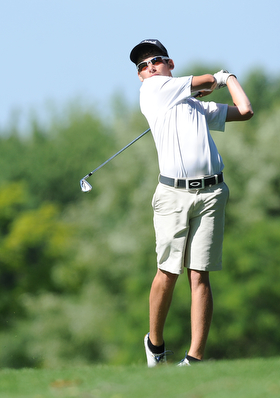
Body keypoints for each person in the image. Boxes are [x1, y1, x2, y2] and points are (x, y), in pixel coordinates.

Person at [129, 39, 254, 366]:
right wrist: (216, 78)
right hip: (173, 196)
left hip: (212, 193)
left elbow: (245, 111)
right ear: (141, 77)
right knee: (167, 272)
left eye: (155, 60)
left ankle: (194, 359)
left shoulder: (196, 106)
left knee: (200, 275)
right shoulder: (152, 92)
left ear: (169, 62)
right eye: (142, 66)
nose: (149, 67)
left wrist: (230, 79)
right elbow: (205, 81)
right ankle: (155, 344)